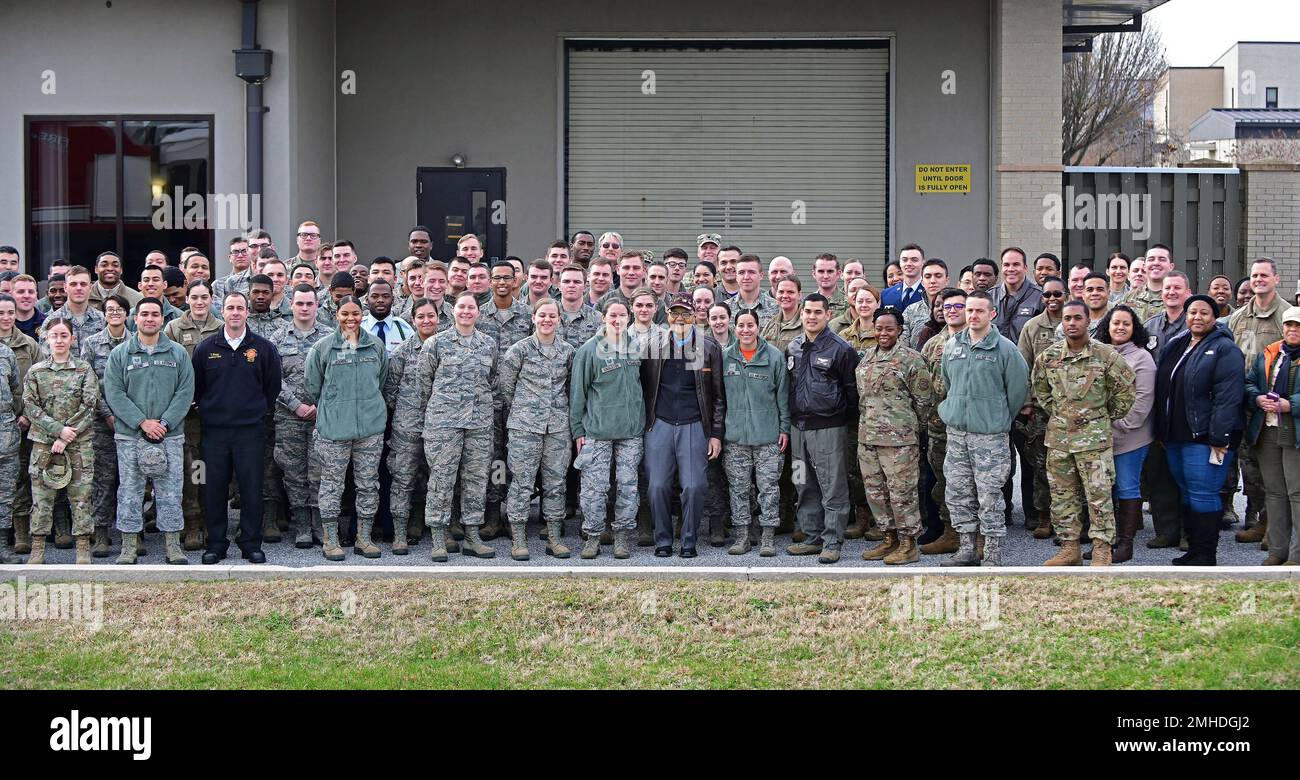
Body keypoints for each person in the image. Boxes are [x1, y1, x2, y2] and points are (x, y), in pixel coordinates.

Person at [1033, 300, 1136, 566]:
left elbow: (1126, 392)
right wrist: (1063, 414)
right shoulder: (1048, 357)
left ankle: (1102, 549)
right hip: (1059, 441)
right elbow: (1042, 392)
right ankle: (1070, 548)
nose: (1072, 323)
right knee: (1062, 496)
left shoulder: (1106, 356)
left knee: (1099, 496)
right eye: (1067, 318)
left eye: (1078, 318)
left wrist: (1100, 417)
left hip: (1095, 442)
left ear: (1088, 320)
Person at [407, 291, 500, 561]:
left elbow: (492, 381)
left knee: (477, 479)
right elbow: (423, 384)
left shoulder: (488, 344)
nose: (467, 312)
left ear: (478, 312)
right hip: (444, 423)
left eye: (471, 307)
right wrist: (439, 411)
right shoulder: (436, 344)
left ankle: (472, 536)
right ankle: (438, 538)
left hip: (479, 423)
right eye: (461, 307)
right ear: (453, 311)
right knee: (441, 480)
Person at [938, 291, 1029, 566]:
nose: (973, 316)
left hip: (989, 435)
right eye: (969, 310)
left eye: (979, 311)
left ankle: (991, 552)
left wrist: (995, 416)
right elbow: (948, 383)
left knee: (989, 495)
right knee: (958, 491)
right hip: (957, 433)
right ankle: (966, 548)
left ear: (992, 314)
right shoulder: (952, 346)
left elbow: (1016, 392)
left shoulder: (1005, 349)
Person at [1153, 294, 1245, 566]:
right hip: (1175, 436)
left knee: (1204, 493)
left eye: (1204, 313)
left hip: (1205, 439)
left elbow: (1228, 396)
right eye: (1192, 312)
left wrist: (1219, 437)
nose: (1197, 317)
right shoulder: (1177, 344)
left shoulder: (1225, 349)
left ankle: (1206, 554)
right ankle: (1192, 550)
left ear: (1214, 318)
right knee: (1188, 491)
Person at [192, 292, 282, 565]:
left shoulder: (264, 348)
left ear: (247, 313)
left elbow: (272, 387)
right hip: (215, 433)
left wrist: (253, 411)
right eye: (230, 308)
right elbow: (197, 388)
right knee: (213, 488)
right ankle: (217, 543)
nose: (234, 313)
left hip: (250, 432)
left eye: (239, 308)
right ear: (223, 312)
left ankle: (250, 543)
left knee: (251, 488)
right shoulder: (206, 348)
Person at [104, 298, 195, 566]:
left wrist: (164, 423)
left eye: (155, 314)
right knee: (129, 492)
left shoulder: (177, 353)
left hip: (170, 434)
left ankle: (173, 546)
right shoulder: (120, 354)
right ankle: (129, 547)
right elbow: (114, 393)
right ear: (135, 318)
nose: (150, 319)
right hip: (130, 435)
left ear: (162, 319)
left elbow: (185, 392)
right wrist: (142, 422)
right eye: (144, 314)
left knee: (170, 492)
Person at [640, 293, 725, 558]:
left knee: (694, 486)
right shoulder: (653, 346)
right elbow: (643, 389)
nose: (680, 319)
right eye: (675, 313)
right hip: (660, 423)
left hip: (695, 424)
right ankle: (663, 540)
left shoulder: (709, 348)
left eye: (686, 314)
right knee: (657, 486)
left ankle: (689, 540)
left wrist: (716, 434)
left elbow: (719, 396)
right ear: (666, 315)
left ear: (695, 317)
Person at [304, 295, 388, 561]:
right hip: (334, 429)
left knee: (367, 484)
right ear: (336, 315)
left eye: (355, 313)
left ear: (362, 315)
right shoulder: (323, 348)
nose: (350, 319)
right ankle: (330, 539)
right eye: (345, 314)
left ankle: (364, 538)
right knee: (332, 485)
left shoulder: (375, 346)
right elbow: (313, 386)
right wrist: (334, 406)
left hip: (369, 428)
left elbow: (381, 380)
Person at [784, 293, 860, 564]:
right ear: (801, 314)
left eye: (818, 312)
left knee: (832, 485)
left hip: (829, 428)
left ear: (828, 315)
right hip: (798, 429)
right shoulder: (793, 346)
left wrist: (841, 419)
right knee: (801, 481)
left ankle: (832, 541)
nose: (812, 316)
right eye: (808, 312)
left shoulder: (841, 349)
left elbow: (852, 392)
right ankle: (812, 536)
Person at [499, 299, 576, 560]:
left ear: (559, 319)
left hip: (557, 428)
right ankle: (518, 539)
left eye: (552, 316)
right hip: (524, 427)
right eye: (542, 315)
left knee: (556, 484)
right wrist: (525, 411)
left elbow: (570, 388)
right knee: (521, 483)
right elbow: (506, 388)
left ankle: (554, 538)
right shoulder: (519, 350)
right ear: (533, 318)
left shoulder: (568, 351)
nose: (547, 320)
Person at [856, 307, 933, 565]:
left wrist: (912, 429)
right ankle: (889, 539)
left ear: (900, 330)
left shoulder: (911, 359)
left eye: (889, 328)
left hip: (899, 441)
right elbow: (862, 398)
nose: (883, 333)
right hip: (868, 437)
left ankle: (909, 544)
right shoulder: (866, 358)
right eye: (879, 328)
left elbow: (924, 401)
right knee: (876, 493)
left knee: (902, 492)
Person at [569, 300, 645, 559]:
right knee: (594, 488)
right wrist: (578, 431)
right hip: (597, 432)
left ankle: (622, 537)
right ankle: (592, 536)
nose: (617, 320)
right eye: (612, 315)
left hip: (631, 432)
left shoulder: (635, 347)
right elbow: (578, 394)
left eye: (622, 315)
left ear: (629, 317)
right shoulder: (590, 350)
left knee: (627, 486)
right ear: (604, 317)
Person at [21, 318, 98, 564]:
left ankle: (83, 545)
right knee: (42, 499)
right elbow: (31, 406)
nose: (59, 340)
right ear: (46, 338)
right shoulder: (36, 372)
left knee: (81, 497)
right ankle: (38, 547)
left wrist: (66, 436)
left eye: (64, 335)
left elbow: (89, 405)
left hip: (78, 444)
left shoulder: (84, 369)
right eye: (54, 335)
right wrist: (57, 431)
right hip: (44, 444)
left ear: (73, 339)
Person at [1227, 258, 1287, 546]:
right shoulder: (1238, 317)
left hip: (1274, 406)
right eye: (1254, 275)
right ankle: (1257, 518)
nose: (1258, 279)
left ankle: (1274, 525)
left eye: (1264, 275)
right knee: (1249, 464)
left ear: (1276, 278)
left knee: (1272, 467)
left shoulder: (1287, 315)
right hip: (1244, 402)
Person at [720, 309, 789, 556]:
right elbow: (720, 399)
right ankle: (742, 536)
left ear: (758, 327)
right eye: (741, 325)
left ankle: (768, 537)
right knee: (738, 488)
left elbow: (783, 396)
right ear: (734, 328)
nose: (745, 330)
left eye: (750, 325)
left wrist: (784, 428)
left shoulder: (774, 357)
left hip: (767, 436)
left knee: (768, 488)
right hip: (736, 437)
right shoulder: (726, 357)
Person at [272, 284, 333, 550]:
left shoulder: (332, 337)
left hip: (323, 417)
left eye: (310, 303)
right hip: (288, 417)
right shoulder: (276, 339)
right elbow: (273, 379)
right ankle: (302, 527)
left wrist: (319, 405)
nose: (305, 308)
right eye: (300, 304)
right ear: (291, 305)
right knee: (294, 473)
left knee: (320, 470)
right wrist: (296, 405)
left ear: (317, 305)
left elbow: (336, 377)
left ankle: (319, 525)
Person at [163, 280, 223, 550]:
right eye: (195, 297)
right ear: (187, 299)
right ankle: (193, 522)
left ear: (212, 299)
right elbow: (169, 368)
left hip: (215, 412)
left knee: (214, 469)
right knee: (192, 468)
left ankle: (213, 521)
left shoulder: (221, 328)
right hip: (188, 415)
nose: (199, 302)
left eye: (204, 297)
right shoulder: (174, 328)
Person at [1095, 305, 1156, 563]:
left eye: (1126, 324)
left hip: (1131, 436)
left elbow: (1143, 399)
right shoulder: (1097, 353)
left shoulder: (1142, 358)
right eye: (1116, 323)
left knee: (1126, 486)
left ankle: (1126, 543)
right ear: (1107, 326)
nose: (1120, 328)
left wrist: (1121, 424)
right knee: (1101, 488)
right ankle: (1105, 543)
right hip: (1098, 436)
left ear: (1134, 329)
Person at [1244, 306, 1300, 565]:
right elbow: (1250, 382)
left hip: (1294, 432)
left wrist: (1293, 405)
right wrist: (1257, 397)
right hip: (1267, 430)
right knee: (1275, 493)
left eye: (1298, 326)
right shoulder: (1271, 353)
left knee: (1296, 493)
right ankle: (1278, 551)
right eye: (1289, 325)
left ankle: (1297, 555)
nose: (1292, 330)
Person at [383, 298, 439, 553]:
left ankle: (437, 529)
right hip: (407, 425)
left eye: (431, 315)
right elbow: (391, 391)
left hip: (440, 423)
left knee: (438, 478)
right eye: (421, 317)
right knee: (403, 479)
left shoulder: (446, 346)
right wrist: (406, 413)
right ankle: (399, 533)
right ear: (413, 320)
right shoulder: (403, 351)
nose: (426, 321)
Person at [80, 294, 131, 558]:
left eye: (119, 309)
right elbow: (87, 385)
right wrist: (108, 415)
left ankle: (132, 534)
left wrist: (127, 416)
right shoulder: (91, 344)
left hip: (132, 422)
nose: (114, 313)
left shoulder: (136, 343)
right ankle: (101, 534)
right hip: (102, 423)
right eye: (109, 309)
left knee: (131, 480)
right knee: (103, 478)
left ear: (126, 313)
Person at [919, 288, 966, 555]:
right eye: (946, 307)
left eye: (957, 307)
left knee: (970, 483)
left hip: (969, 427)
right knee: (942, 482)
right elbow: (923, 387)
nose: (950, 311)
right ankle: (950, 533)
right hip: (938, 427)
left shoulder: (977, 341)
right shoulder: (933, 344)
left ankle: (974, 535)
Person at [837, 285, 884, 540]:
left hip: (879, 411)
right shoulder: (844, 335)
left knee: (879, 468)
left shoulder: (884, 332)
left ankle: (881, 519)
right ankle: (862, 515)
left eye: (869, 300)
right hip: (852, 409)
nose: (864, 304)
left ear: (877, 303)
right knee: (855, 468)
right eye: (859, 300)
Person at [0, 293, 40, 560]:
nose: (5, 318)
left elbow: (18, 389)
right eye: (0, 313)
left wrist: (19, 416)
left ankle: (2, 545)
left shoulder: (6, 353)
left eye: (9, 312)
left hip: (6, 433)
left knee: (6, 490)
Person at [990, 247, 1043, 343]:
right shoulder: (989, 297)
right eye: (1006, 265)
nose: (1010, 269)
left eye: (1016, 264)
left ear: (1025, 268)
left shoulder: (1040, 298)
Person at [902, 258, 949, 349]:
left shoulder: (957, 309)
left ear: (947, 280)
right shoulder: (910, 311)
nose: (932, 281)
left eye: (938, 276)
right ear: (922, 282)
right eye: (928, 276)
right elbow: (903, 344)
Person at [881, 244, 925, 310]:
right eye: (904, 260)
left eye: (914, 260)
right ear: (900, 263)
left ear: (923, 262)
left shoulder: (929, 291)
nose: (909, 264)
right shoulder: (886, 294)